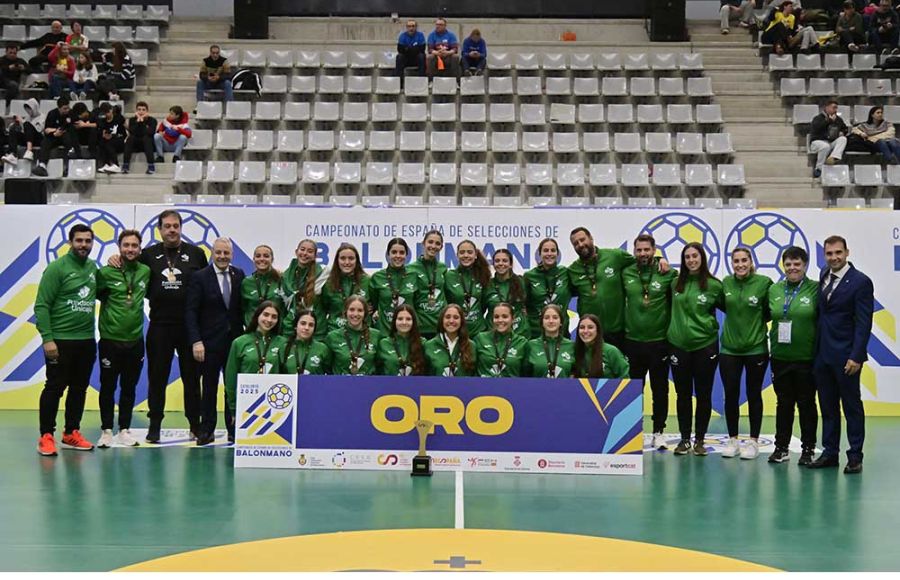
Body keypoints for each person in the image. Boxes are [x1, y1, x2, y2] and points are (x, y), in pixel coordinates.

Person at [110, 210, 208, 443]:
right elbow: (129, 265)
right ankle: (155, 425)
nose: (172, 230)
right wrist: (115, 259)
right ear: (160, 229)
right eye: (167, 226)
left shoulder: (197, 254)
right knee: (157, 378)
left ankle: (195, 424)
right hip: (160, 326)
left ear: (181, 227)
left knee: (192, 379)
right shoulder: (148, 254)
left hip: (189, 327)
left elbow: (205, 286)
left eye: (175, 225)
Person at [809, 236, 873, 474]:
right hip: (823, 356)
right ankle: (830, 453)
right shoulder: (824, 275)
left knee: (852, 407)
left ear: (847, 252)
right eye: (829, 253)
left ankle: (855, 455)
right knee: (827, 407)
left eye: (838, 252)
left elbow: (864, 322)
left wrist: (856, 356)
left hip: (847, 357)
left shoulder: (861, 282)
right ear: (824, 255)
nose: (834, 257)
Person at [35, 224, 97, 456]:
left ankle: (71, 432)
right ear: (70, 242)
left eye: (87, 241)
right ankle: (46, 435)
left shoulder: (92, 268)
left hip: (86, 340)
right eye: (79, 240)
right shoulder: (57, 268)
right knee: (54, 387)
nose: (83, 245)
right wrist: (48, 339)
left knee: (79, 389)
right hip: (60, 341)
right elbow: (41, 306)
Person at [186, 237, 246, 446]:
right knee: (209, 387)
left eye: (226, 253)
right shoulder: (200, 277)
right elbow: (191, 312)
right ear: (212, 253)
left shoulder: (239, 275)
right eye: (218, 252)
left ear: (232, 254)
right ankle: (207, 429)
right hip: (208, 344)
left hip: (234, 343)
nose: (222, 256)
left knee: (232, 388)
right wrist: (196, 341)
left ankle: (233, 429)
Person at [667, 243, 724, 457]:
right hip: (678, 346)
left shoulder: (714, 285)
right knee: (682, 394)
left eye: (695, 256)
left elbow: (733, 309)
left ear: (702, 258)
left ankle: (700, 440)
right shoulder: (674, 284)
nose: (691, 260)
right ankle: (684, 439)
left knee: (703, 394)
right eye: (687, 257)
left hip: (705, 346)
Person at [569, 227, 668, 349]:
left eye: (582, 239)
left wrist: (659, 259)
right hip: (589, 333)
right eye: (576, 243)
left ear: (591, 238)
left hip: (617, 332)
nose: (580, 244)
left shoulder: (615, 256)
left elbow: (642, 260)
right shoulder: (573, 270)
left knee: (618, 367)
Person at [95, 229, 150, 449]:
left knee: (129, 388)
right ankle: (106, 430)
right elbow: (96, 295)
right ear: (119, 247)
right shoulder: (106, 272)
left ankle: (124, 430)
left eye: (134, 245)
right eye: (126, 245)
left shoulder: (146, 271)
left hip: (135, 341)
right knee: (107, 387)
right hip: (110, 340)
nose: (130, 249)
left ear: (140, 248)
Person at [622, 234, 676, 450]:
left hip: (659, 342)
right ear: (634, 251)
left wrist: (663, 260)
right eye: (639, 250)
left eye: (646, 250)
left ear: (654, 250)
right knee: (634, 389)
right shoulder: (625, 271)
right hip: (632, 341)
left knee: (660, 389)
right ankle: (633, 431)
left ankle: (659, 431)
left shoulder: (668, 273)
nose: (642, 253)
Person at [718, 248, 773, 460]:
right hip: (729, 349)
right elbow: (725, 307)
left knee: (753, 394)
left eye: (744, 260)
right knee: (730, 395)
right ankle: (732, 440)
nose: (740, 264)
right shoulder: (726, 284)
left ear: (751, 261)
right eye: (736, 261)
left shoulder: (764, 283)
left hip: (756, 348)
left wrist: (754, 328)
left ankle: (753, 441)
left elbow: (769, 311)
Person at [767, 246, 819, 465]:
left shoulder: (816, 289)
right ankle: (781, 448)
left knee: (807, 404)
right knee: (784, 403)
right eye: (788, 264)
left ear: (805, 265)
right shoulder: (775, 290)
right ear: (783, 266)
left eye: (797, 264)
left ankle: (808, 449)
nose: (792, 268)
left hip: (806, 358)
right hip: (780, 357)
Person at [224, 301, 287, 436]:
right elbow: (230, 379)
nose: (269, 320)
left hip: (275, 405)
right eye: (266, 315)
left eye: (274, 317)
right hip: (247, 406)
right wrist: (234, 410)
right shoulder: (239, 342)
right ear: (257, 315)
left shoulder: (283, 343)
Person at [524, 238, 572, 338]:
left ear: (558, 254)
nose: (549, 253)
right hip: (537, 334)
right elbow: (523, 304)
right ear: (539, 254)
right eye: (545, 250)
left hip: (562, 333)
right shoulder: (529, 276)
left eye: (553, 250)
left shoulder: (565, 272)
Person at [370, 238, 419, 335]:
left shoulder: (414, 276)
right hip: (384, 334)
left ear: (406, 255)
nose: (398, 256)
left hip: (408, 334)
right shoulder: (377, 277)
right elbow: (373, 304)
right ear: (388, 254)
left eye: (402, 252)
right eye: (394, 252)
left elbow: (417, 303)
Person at [281, 239, 327, 339]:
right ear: (296, 252)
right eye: (302, 249)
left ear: (315, 256)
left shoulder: (322, 277)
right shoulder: (286, 277)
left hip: (316, 330)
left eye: (310, 251)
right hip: (290, 329)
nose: (305, 253)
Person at [325, 296, 381, 375]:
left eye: (360, 310)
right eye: (351, 310)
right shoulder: (332, 337)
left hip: (368, 386)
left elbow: (380, 366)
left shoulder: (376, 335)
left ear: (365, 313)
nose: (355, 314)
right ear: (345, 311)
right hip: (340, 385)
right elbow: (327, 368)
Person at [445, 240, 491, 335]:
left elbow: (484, 303)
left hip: (479, 332)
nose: (466, 255)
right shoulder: (449, 276)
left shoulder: (483, 275)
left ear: (475, 255)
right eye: (462, 252)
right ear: (457, 255)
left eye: (470, 252)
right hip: (457, 332)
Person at [322, 243, 370, 332]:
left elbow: (373, 305)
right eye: (343, 258)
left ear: (357, 261)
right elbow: (324, 308)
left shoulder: (367, 281)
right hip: (335, 332)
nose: (347, 262)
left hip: (361, 333)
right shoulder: (329, 283)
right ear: (337, 261)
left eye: (351, 258)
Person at [409, 230, 448, 340]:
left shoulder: (443, 268)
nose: (433, 246)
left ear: (441, 247)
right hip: (420, 328)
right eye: (430, 242)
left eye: (437, 243)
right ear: (423, 243)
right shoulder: (411, 269)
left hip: (440, 327)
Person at [474, 303, 529, 377]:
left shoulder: (522, 343)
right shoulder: (481, 338)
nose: (500, 320)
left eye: (505, 316)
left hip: (511, 387)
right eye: (496, 317)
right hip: (484, 387)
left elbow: (526, 374)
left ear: (513, 319)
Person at [572, 314, 631, 378]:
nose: (585, 331)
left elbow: (625, 378)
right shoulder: (574, 350)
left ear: (598, 330)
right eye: (582, 327)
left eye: (590, 327)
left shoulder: (611, 351)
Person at [424, 304, 477, 376]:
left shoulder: (471, 345)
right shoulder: (429, 345)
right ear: (442, 320)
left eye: (456, 317)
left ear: (461, 321)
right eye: (447, 317)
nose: (451, 321)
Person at [525, 305, 576, 378]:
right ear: (542, 322)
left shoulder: (571, 346)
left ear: (561, 322)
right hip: (537, 389)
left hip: (564, 389)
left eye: (555, 318)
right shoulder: (531, 345)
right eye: (546, 318)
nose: (551, 321)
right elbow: (525, 375)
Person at [33, 96, 77, 177]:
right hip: (54, 136)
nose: (67, 110)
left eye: (68, 108)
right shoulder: (52, 114)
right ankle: (42, 165)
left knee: (69, 138)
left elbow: (73, 126)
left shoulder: (71, 113)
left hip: (66, 136)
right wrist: (55, 132)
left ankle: (69, 166)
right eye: (64, 108)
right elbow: (46, 130)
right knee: (45, 142)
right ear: (59, 108)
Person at [240, 244, 284, 327]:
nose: (262, 259)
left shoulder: (281, 280)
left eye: (266, 256)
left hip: (276, 333)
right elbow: (242, 309)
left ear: (272, 259)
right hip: (253, 333)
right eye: (258, 256)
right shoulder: (246, 283)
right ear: (253, 259)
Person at [377, 304, 427, 376]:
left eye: (408, 319)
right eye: (400, 319)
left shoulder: (423, 343)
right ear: (394, 321)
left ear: (414, 322)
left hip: (416, 386)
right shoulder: (384, 343)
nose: (404, 322)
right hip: (388, 386)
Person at [488, 249, 528, 336]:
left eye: (505, 261)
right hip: (494, 333)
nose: (501, 263)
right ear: (493, 264)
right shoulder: (487, 285)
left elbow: (530, 304)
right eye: (497, 261)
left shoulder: (521, 282)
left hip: (520, 333)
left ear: (510, 264)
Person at [281, 310, 331, 375]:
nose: (307, 328)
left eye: (311, 325)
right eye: (303, 323)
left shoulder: (322, 349)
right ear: (295, 326)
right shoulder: (284, 347)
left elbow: (330, 375)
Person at [809, 100, 848, 178]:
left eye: (836, 108)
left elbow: (845, 128)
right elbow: (817, 128)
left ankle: (833, 157)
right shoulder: (818, 118)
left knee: (843, 139)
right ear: (827, 107)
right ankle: (818, 169)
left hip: (831, 142)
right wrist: (829, 121)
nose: (835, 110)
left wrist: (842, 132)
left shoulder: (838, 119)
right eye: (833, 108)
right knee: (825, 146)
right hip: (817, 142)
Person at [2, 97, 43, 167]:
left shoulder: (43, 117)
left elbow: (39, 129)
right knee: (13, 128)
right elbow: (24, 130)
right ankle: (13, 154)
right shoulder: (28, 117)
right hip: (28, 139)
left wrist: (23, 122)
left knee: (27, 124)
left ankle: (29, 151)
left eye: (29, 110)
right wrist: (18, 124)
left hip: (38, 138)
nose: (28, 112)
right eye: (27, 110)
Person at [122, 101, 157, 174]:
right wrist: (138, 122)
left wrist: (142, 122)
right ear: (136, 111)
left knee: (147, 138)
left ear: (147, 111)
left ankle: (151, 166)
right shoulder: (132, 120)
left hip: (148, 145)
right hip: (135, 144)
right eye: (139, 109)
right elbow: (132, 132)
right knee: (130, 138)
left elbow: (150, 133)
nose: (141, 112)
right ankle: (125, 165)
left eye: (143, 110)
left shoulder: (152, 120)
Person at [96, 101, 126, 174]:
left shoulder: (119, 118)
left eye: (108, 112)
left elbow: (127, 128)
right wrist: (104, 135)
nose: (107, 115)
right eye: (105, 113)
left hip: (120, 139)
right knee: (102, 142)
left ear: (111, 110)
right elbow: (103, 132)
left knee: (109, 143)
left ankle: (116, 165)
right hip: (109, 140)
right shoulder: (103, 121)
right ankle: (106, 164)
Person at [395, 19, 426, 84]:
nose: (411, 28)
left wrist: (407, 49)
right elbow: (400, 49)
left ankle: (421, 81)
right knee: (399, 57)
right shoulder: (402, 36)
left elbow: (422, 49)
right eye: (409, 26)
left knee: (422, 56)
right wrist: (414, 49)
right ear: (406, 27)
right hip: (406, 59)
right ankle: (399, 83)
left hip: (416, 59)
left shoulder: (420, 35)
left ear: (416, 27)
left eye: (413, 26)